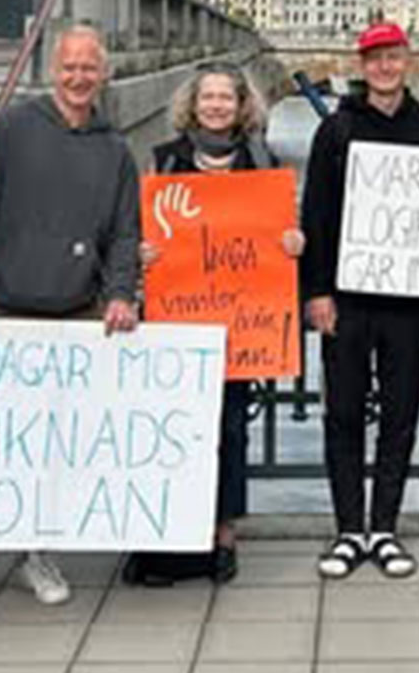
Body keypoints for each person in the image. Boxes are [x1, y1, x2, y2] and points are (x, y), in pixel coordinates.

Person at [0, 24, 141, 615]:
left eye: (90, 68)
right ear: (54, 71)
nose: (80, 78)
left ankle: (37, 552)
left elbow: (125, 233)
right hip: (3, 304)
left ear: (104, 75)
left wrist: (121, 293)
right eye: (70, 67)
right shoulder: (12, 129)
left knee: (54, 444)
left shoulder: (115, 149)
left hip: (74, 312)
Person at [127, 62, 303, 586]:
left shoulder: (262, 161)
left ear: (242, 105)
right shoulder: (165, 162)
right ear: (193, 104)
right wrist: (145, 251)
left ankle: (224, 534)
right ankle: (176, 534)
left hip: (237, 328)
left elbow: (282, 233)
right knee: (177, 428)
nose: (218, 106)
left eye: (227, 97)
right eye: (209, 97)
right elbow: (144, 229)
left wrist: (293, 243)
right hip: (177, 322)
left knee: (229, 431)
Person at [301, 21, 419, 580]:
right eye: (375, 59)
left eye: (393, 57)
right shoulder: (336, 131)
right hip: (347, 299)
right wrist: (316, 291)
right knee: (342, 414)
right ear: (362, 66)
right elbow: (314, 214)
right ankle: (348, 529)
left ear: (406, 61)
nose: (385, 67)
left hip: (408, 301)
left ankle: (384, 527)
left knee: (399, 416)